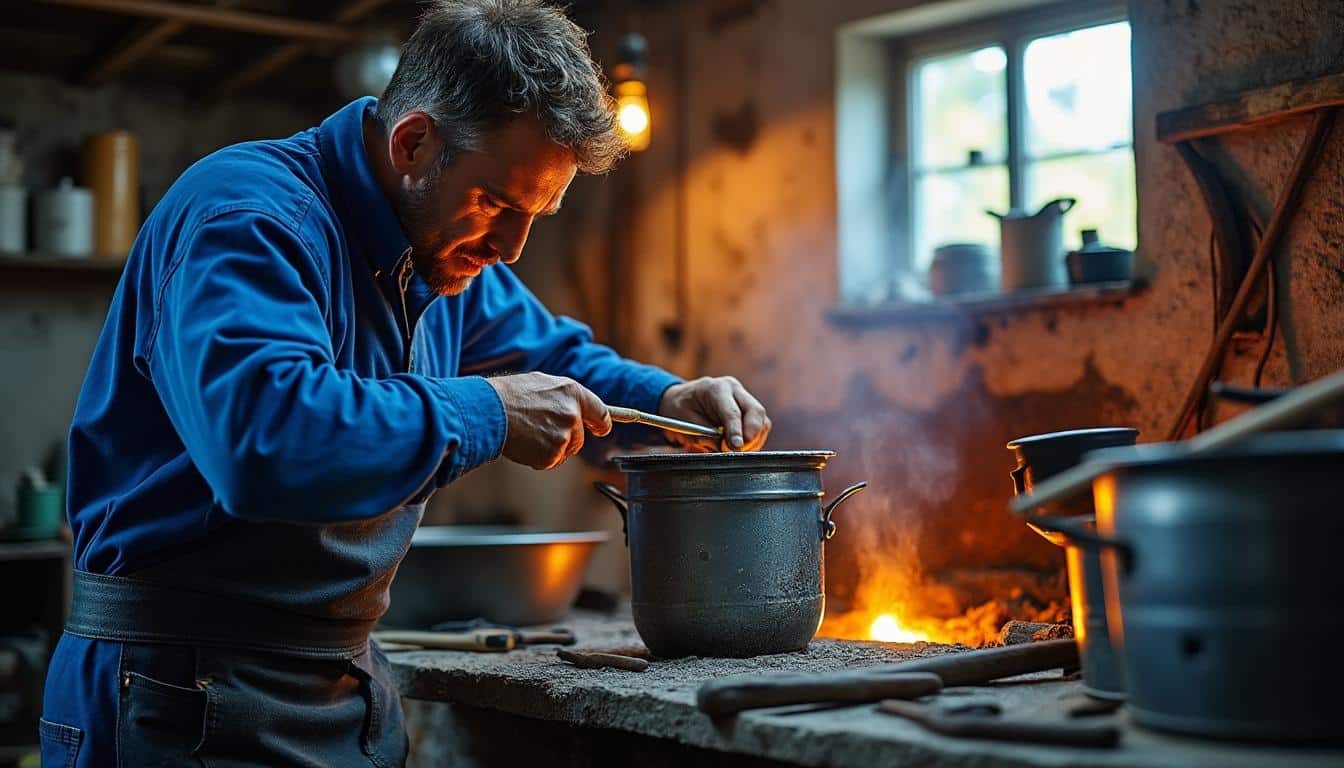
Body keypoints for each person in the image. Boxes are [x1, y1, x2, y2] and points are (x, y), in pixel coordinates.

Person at [38, 1, 770, 765]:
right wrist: (486, 411)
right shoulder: (247, 215)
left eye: (539, 214)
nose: (512, 249)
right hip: (177, 692)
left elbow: (560, 362)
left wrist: (665, 402)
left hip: (341, 684)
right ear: (414, 142)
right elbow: (267, 441)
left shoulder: (449, 258)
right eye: (497, 203)